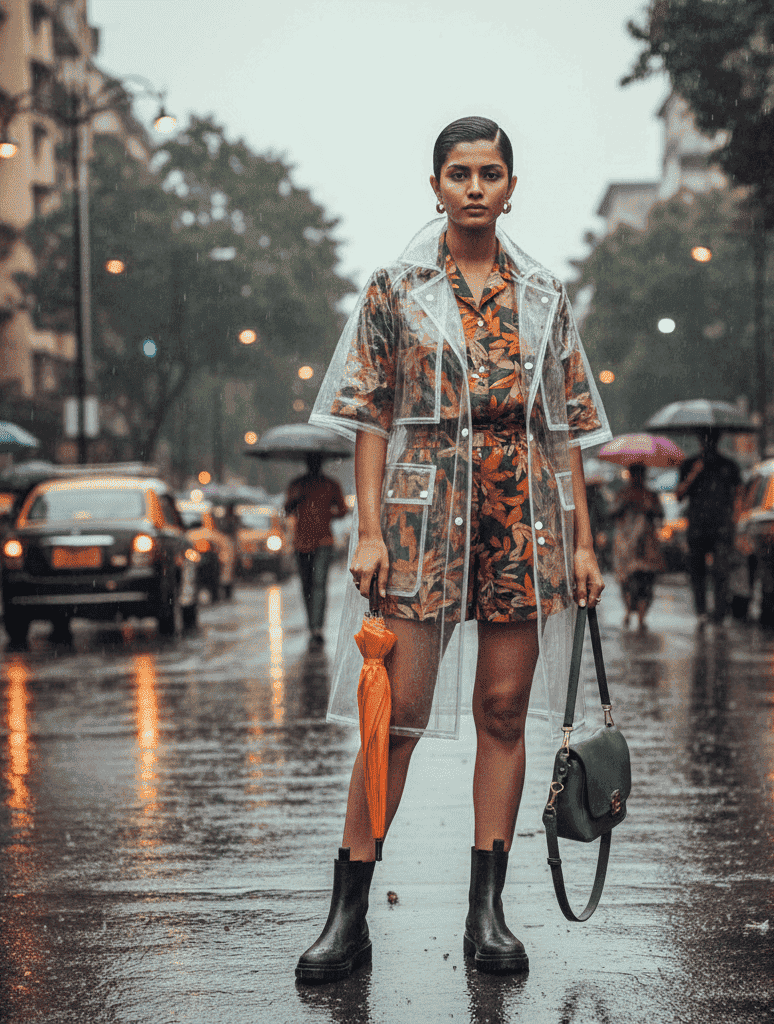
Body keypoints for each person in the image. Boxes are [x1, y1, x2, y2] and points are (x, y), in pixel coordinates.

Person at [297, 116, 610, 982]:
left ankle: (489, 914)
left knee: (504, 715)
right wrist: (367, 531)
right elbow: (368, 418)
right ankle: (347, 915)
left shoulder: (544, 295)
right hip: (422, 515)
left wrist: (583, 542)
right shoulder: (396, 289)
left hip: (522, 517)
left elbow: (567, 429)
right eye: (459, 173)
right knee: (391, 721)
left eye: (492, 173)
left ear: (513, 187)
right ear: (433, 185)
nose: (475, 187)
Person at [675, 428, 742, 624]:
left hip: (721, 527)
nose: (708, 444)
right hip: (697, 527)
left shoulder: (729, 466)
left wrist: (735, 519)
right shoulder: (689, 465)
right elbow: (678, 495)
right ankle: (701, 611)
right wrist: (694, 474)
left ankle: (720, 612)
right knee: (697, 571)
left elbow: (739, 493)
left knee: (721, 570)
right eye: (705, 440)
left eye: (712, 439)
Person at [284, 453, 347, 645]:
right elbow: (286, 509)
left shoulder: (331, 484)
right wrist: (296, 500)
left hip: (323, 542)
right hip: (301, 543)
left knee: (319, 583)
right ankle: (312, 625)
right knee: (306, 585)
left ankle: (317, 628)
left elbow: (342, 510)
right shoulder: (297, 485)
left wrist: (327, 513)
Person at [611, 464, 665, 629]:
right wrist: (625, 503)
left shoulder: (650, 495)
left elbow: (660, 515)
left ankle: (641, 616)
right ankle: (628, 610)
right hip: (625, 544)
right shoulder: (623, 493)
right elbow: (611, 513)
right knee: (626, 581)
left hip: (646, 546)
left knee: (645, 582)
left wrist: (648, 507)